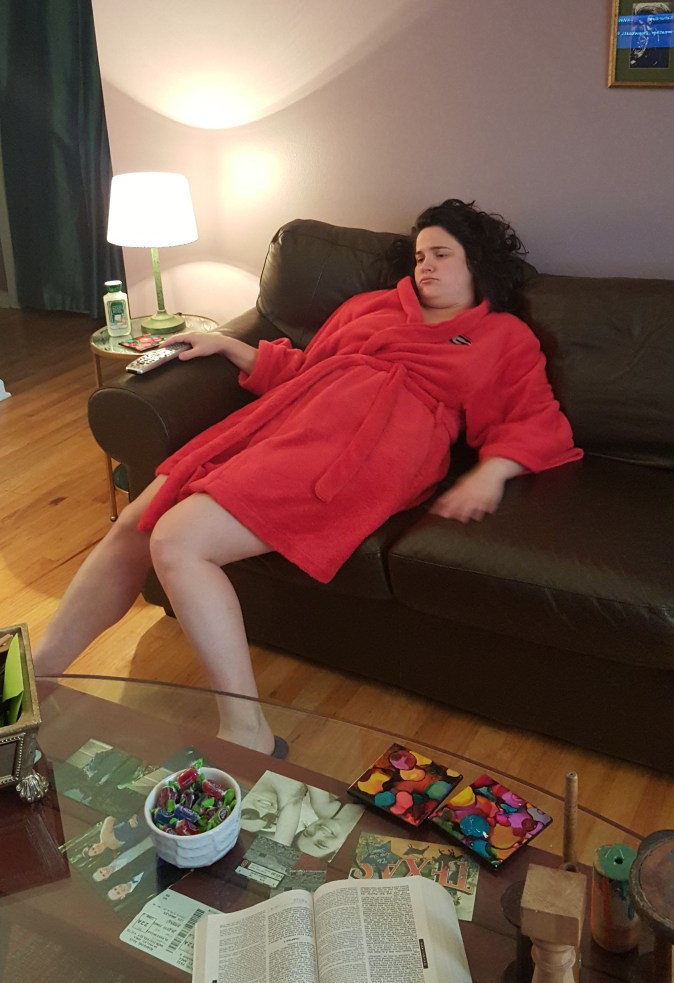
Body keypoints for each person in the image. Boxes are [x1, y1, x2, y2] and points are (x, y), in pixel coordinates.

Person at [33, 199, 581, 754]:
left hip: (378, 448)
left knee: (177, 541)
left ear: (476, 263)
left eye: (442, 254)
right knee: (136, 522)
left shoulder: (503, 336)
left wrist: (493, 472)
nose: (426, 267)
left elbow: (536, 419)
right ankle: (36, 678)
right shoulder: (372, 307)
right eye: (419, 257)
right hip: (291, 421)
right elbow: (304, 367)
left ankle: (247, 732)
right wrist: (226, 344)